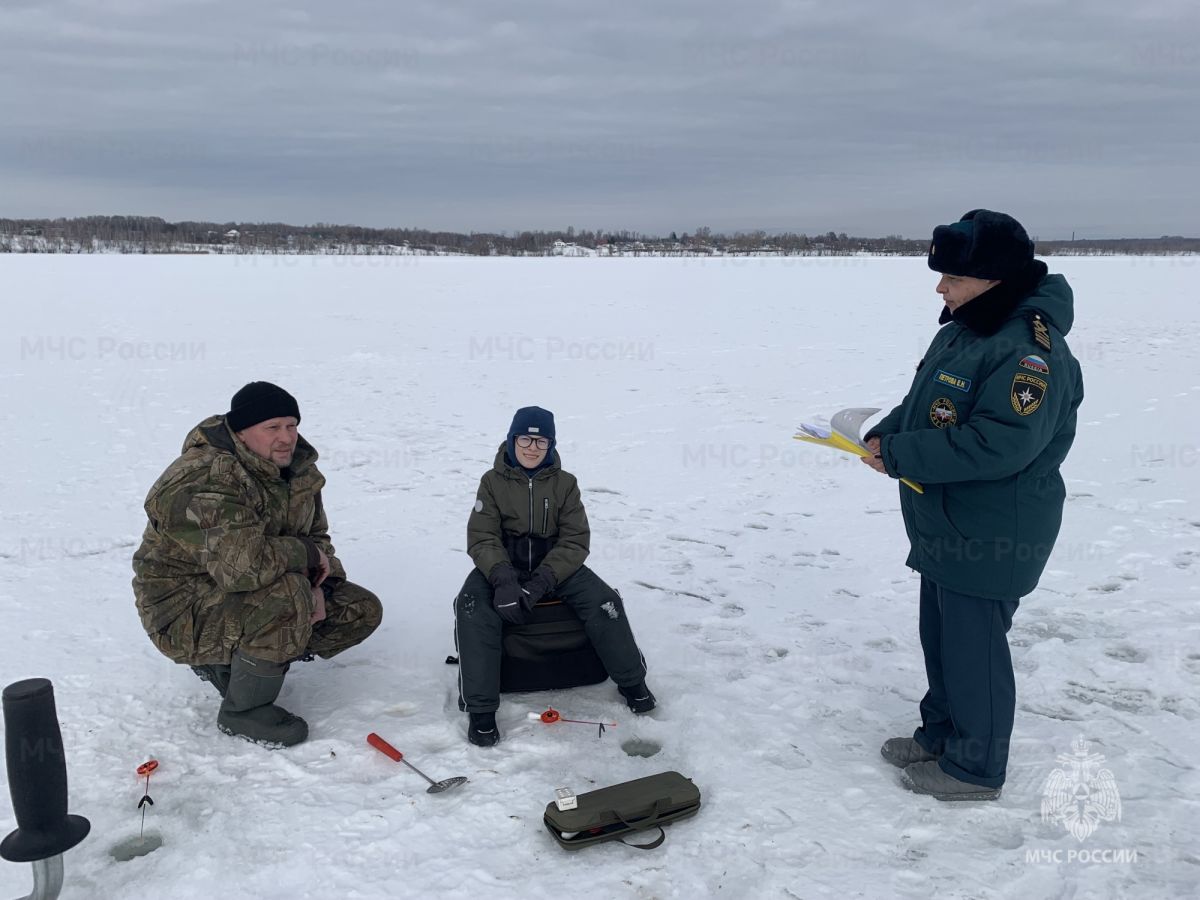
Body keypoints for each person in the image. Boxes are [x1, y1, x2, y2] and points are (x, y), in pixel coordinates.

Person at [862, 210, 1084, 800]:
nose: (940, 288)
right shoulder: (966, 330)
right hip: (946, 522)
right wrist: (886, 434)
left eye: (952, 278)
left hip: (992, 530)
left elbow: (1000, 443)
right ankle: (940, 734)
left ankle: (975, 769)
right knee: (941, 640)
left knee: (973, 652)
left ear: (993, 279)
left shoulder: (1028, 352)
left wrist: (902, 454)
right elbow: (925, 403)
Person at [132, 382, 382, 748]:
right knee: (287, 598)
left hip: (250, 590)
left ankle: (240, 665)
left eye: (291, 425)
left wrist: (319, 585)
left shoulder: (296, 470)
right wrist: (306, 562)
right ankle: (243, 711)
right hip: (183, 608)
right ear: (241, 432)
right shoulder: (204, 477)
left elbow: (318, 538)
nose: (286, 438)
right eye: (272, 427)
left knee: (358, 609)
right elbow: (243, 568)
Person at [455, 406, 654, 746]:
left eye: (541, 441)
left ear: (551, 445)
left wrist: (542, 581)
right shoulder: (491, 482)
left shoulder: (566, 484)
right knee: (472, 607)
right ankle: (481, 711)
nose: (532, 448)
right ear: (512, 440)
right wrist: (503, 578)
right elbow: (482, 536)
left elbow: (575, 539)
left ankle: (633, 683)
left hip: (556, 566)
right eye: (525, 439)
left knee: (605, 602)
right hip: (505, 564)